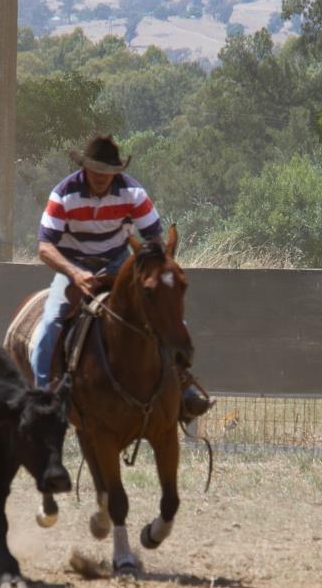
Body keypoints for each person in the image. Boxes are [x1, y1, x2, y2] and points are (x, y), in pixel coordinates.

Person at [32, 133, 210, 421]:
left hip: (119, 264)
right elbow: (44, 247)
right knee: (50, 324)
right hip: (74, 266)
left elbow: (154, 238)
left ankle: (183, 389)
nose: (102, 177)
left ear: (117, 171)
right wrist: (75, 273)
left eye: (108, 172)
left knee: (167, 317)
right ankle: (43, 400)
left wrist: (149, 269)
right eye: (96, 170)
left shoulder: (133, 193)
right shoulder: (63, 194)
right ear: (84, 168)